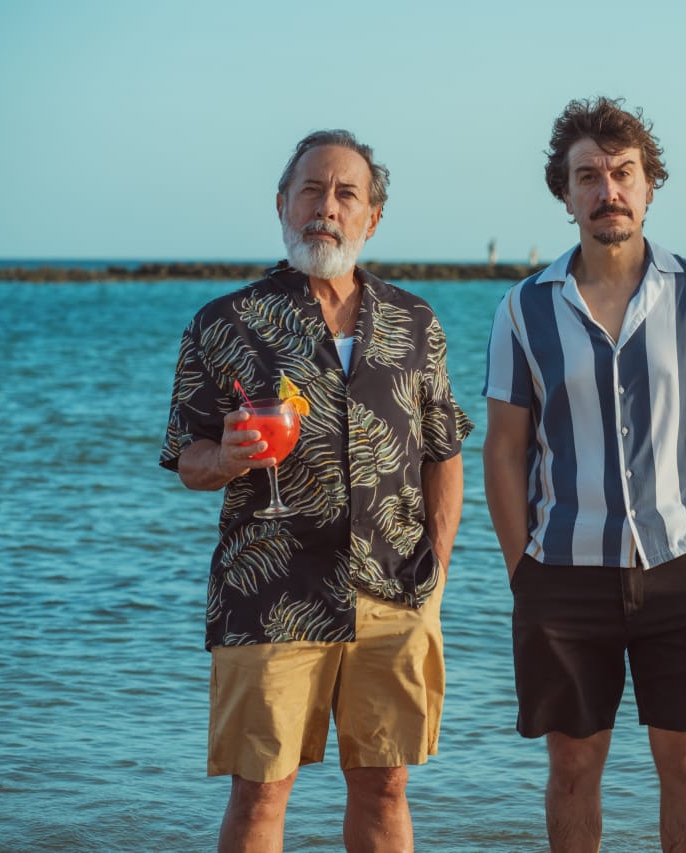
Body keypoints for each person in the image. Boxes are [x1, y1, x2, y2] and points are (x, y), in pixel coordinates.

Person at [160, 129, 472, 853]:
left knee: (385, 785)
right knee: (260, 790)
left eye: (345, 193)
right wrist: (228, 456)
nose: (325, 208)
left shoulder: (415, 322)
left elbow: (444, 451)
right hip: (268, 592)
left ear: (373, 217)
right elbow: (187, 456)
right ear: (281, 204)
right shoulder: (224, 323)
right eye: (310, 190)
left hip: (395, 591)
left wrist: (438, 573)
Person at [482, 96, 686, 852]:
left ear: (649, 185)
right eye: (589, 177)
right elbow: (504, 448)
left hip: (683, 565)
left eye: (624, 173)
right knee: (572, 765)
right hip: (563, 573)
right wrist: (522, 570)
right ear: (565, 194)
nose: (609, 191)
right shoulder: (523, 309)